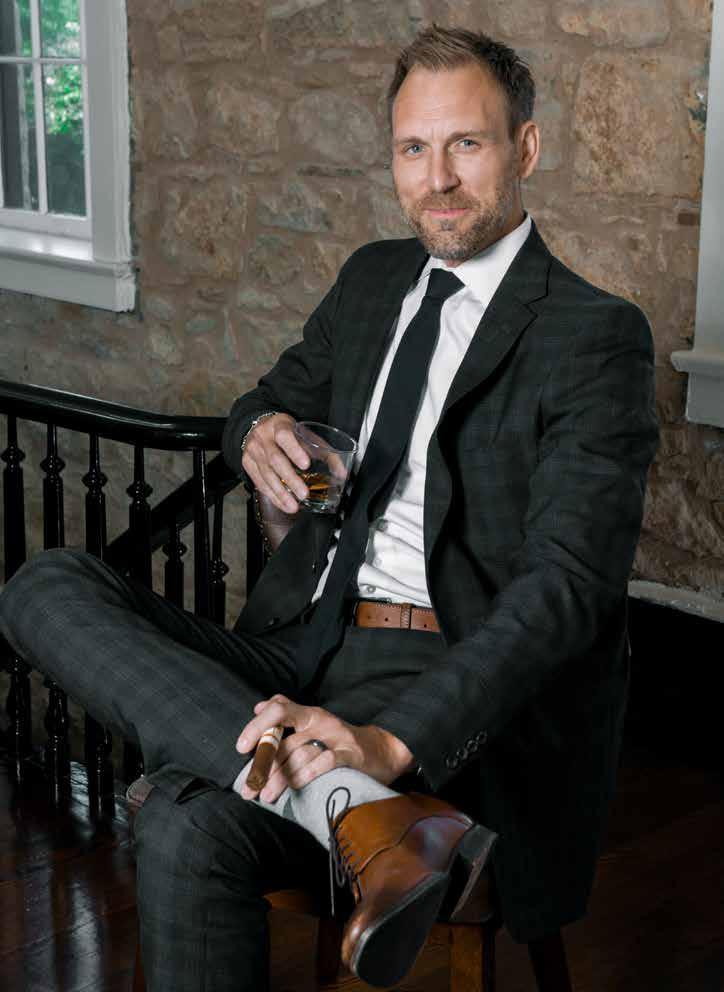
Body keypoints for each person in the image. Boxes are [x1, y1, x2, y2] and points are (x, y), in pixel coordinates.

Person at [0, 24, 658, 992]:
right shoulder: (371, 279)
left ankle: (360, 788)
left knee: (183, 821)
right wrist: (258, 430)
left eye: (466, 144)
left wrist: (392, 741)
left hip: (452, 676)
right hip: (304, 644)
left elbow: (564, 592)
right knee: (44, 585)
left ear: (525, 148)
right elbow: (264, 399)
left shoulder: (593, 334)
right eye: (412, 148)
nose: (436, 178)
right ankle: (354, 809)